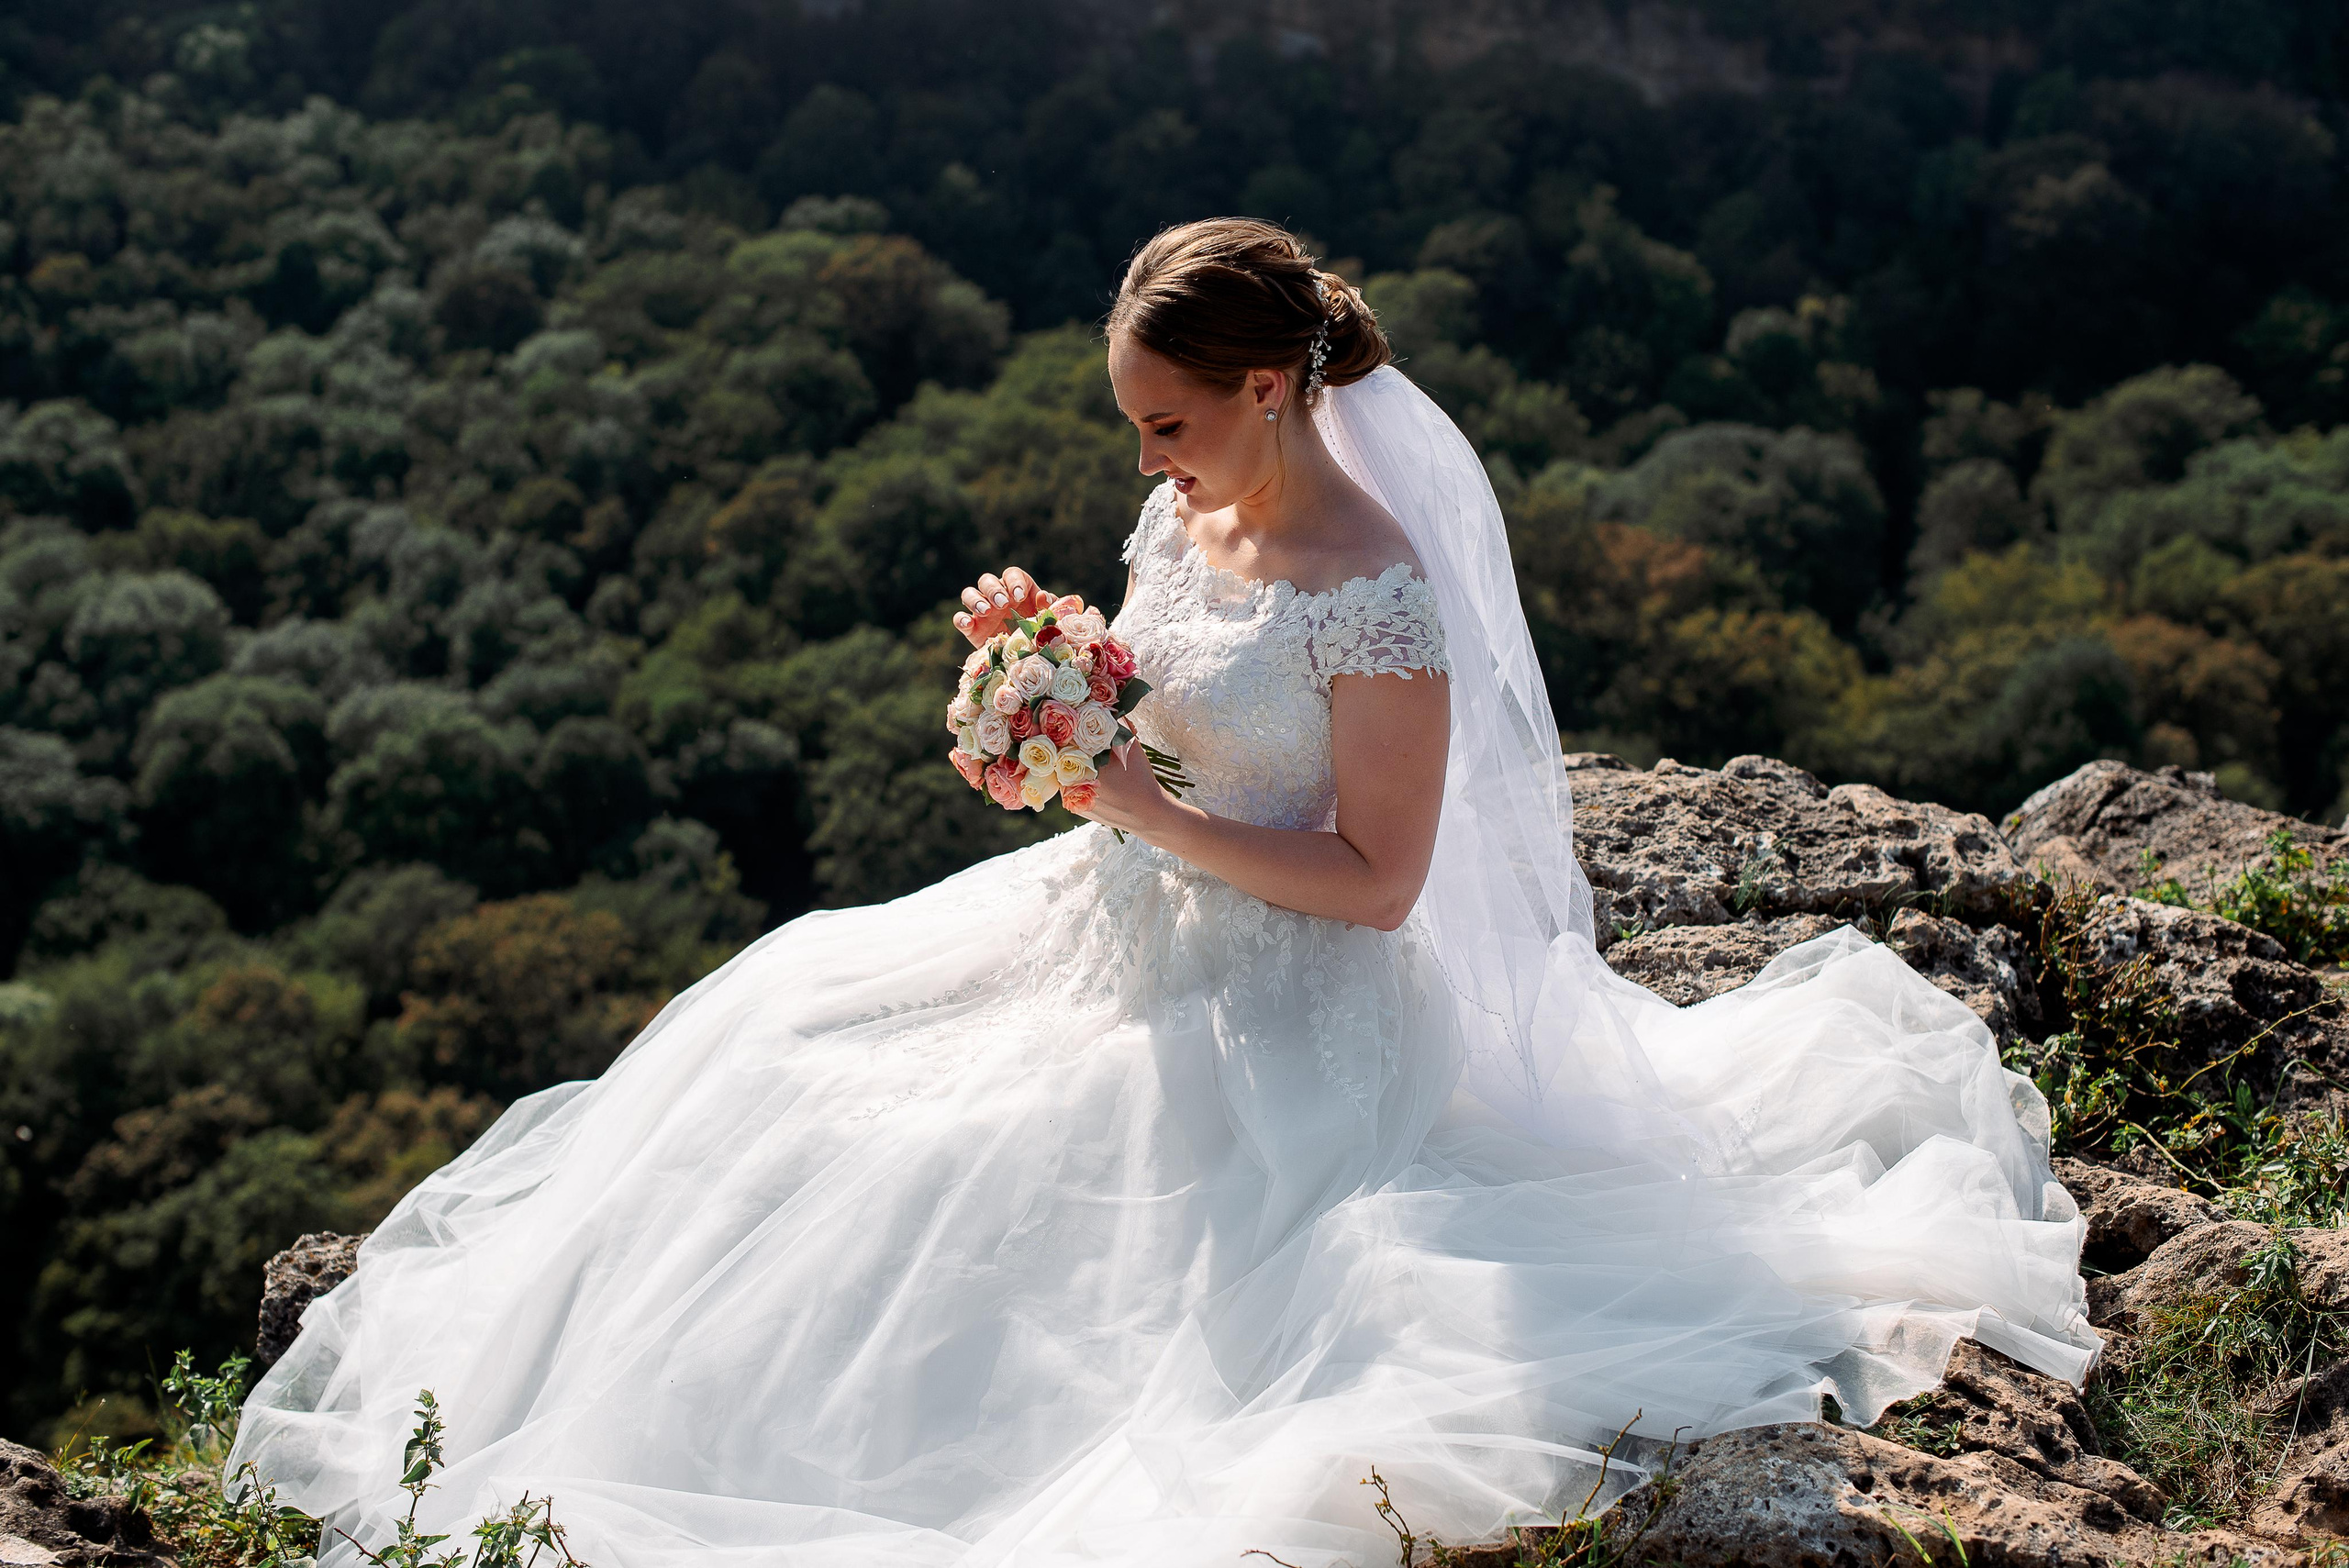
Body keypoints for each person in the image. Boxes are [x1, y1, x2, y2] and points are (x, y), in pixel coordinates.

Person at [231, 217, 2098, 1568]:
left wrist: (1131, 801)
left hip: (1288, 998)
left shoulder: (1374, 592)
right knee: (787, 1056)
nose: (1145, 457)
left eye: (1168, 423)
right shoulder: (1187, 514)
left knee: (974, 1194)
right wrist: (1046, 689)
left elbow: (1378, 883)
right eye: (1133, 424)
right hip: (1113, 920)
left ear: (1268, 387)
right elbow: (1153, 699)